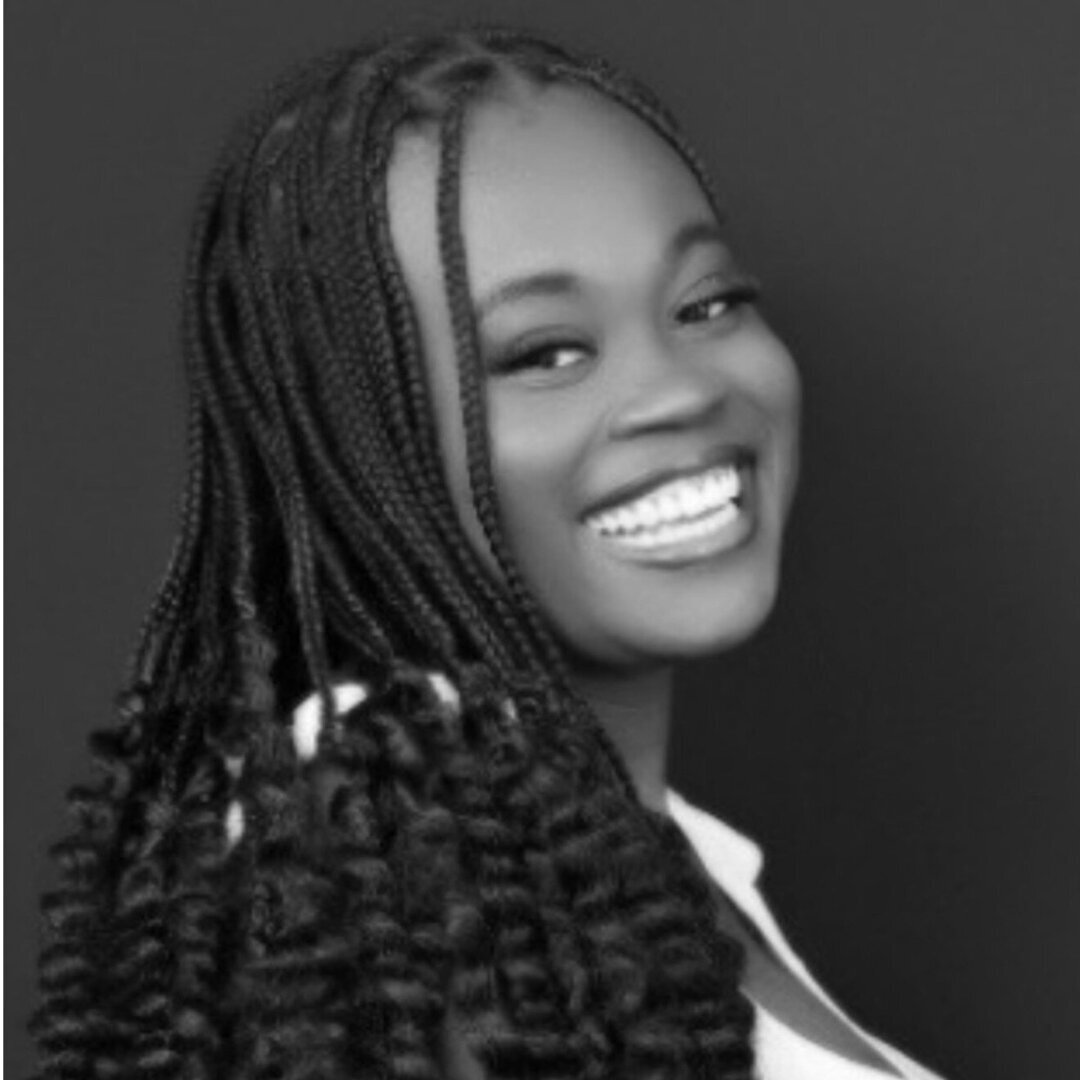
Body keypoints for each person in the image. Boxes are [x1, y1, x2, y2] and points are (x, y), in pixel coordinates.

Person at [30, 23, 946, 1080]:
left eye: (707, 303)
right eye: (545, 352)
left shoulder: (616, 850)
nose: (682, 390)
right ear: (356, 441)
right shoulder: (404, 867)